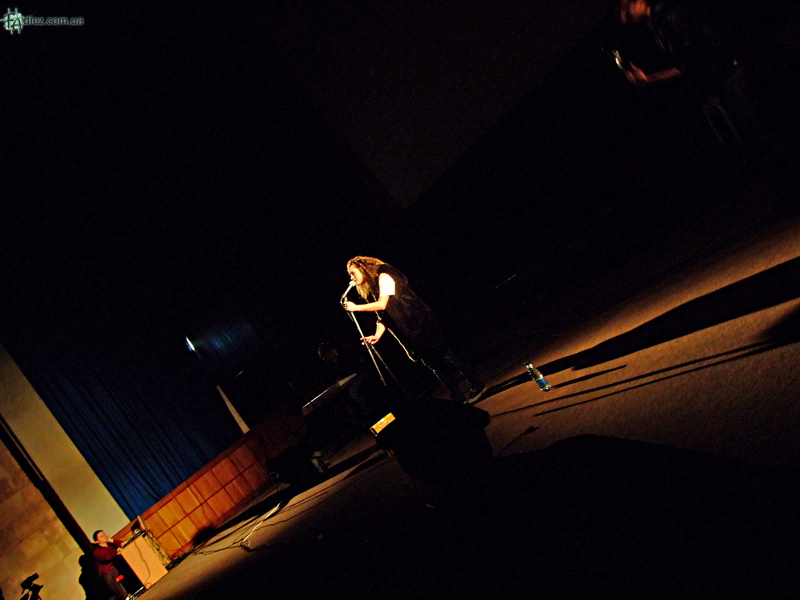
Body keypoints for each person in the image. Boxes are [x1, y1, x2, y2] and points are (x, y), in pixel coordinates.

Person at [611, 0, 773, 170]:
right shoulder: (657, 23)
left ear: (640, 3)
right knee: (738, 143)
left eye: (626, 10)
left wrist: (650, 79)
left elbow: (692, 61)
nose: (623, 18)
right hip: (712, 85)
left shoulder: (668, 16)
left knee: (750, 137)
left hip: (723, 79)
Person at [342, 256, 487, 404]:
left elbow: (382, 304)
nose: (351, 278)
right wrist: (377, 335)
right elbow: (383, 315)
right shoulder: (373, 287)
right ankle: (457, 397)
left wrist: (357, 308)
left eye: (353, 273)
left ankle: (478, 385)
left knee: (449, 358)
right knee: (435, 366)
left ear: (363, 268)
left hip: (421, 325)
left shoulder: (384, 275)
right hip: (411, 333)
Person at [91, 530, 130, 600]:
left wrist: (112, 540)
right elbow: (107, 556)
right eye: (102, 536)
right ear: (97, 541)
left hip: (118, 565)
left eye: (104, 534)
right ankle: (124, 597)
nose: (105, 536)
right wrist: (116, 551)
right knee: (111, 576)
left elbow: (123, 544)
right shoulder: (97, 551)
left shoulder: (110, 545)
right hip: (108, 570)